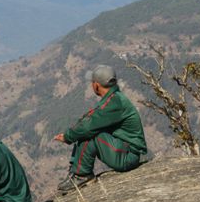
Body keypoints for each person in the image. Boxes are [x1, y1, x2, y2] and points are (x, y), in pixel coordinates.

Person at [54, 64, 147, 193]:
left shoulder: (115, 102)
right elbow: (91, 118)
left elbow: (88, 126)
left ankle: (81, 176)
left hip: (128, 156)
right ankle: (77, 173)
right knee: (88, 131)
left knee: (90, 134)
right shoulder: (114, 98)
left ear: (96, 85)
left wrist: (68, 136)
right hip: (125, 151)